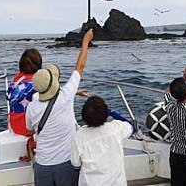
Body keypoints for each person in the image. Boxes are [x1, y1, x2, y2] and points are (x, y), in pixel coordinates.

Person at [26, 28, 93, 186]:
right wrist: (85, 41)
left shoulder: (32, 105)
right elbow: (80, 67)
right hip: (65, 164)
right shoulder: (64, 96)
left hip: (42, 166)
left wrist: (73, 93)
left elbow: (29, 128)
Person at [71, 96, 134, 186]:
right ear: (105, 113)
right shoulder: (117, 128)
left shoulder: (78, 137)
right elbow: (132, 127)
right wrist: (112, 112)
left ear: (84, 115)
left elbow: (76, 165)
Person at [7, 48, 43, 136]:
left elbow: (8, 96)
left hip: (14, 125)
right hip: (28, 128)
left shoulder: (17, 79)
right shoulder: (38, 81)